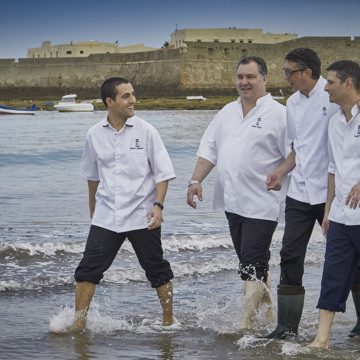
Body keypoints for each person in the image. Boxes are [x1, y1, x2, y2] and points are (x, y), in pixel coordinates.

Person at [54, 77, 176, 333]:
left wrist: (158, 205)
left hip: (143, 214)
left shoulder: (146, 131)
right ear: (110, 102)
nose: (132, 100)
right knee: (87, 270)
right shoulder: (94, 134)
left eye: (132, 94)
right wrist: (93, 210)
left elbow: (162, 174)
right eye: (125, 96)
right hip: (106, 216)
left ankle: (168, 321)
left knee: (156, 269)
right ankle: (78, 323)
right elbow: (92, 177)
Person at [187, 56, 289, 328]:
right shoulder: (226, 112)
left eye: (251, 77)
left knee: (251, 265)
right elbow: (209, 150)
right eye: (240, 77)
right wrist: (195, 181)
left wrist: (280, 174)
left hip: (262, 202)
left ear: (265, 79)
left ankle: (245, 322)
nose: (244, 83)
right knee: (252, 262)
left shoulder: (279, 114)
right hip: (232, 202)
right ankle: (269, 314)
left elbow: (295, 154)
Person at [265, 48, 360, 339]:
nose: (285, 77)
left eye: (289, 71)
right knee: (290, 254)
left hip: (334, 194)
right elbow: (299, 149)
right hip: (301, 192)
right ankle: (286, 327)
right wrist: (281, 171)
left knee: (352, 258)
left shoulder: (332, 97)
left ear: (307, 73)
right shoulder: (291, 104)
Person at [307, 61, 360, 349]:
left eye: (330, 82)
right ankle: (321, 339)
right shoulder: (334, 122)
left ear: (348, 83)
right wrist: (327, 211)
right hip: (341, 215)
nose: (325, 87)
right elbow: (332, 169)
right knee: (333, 276)